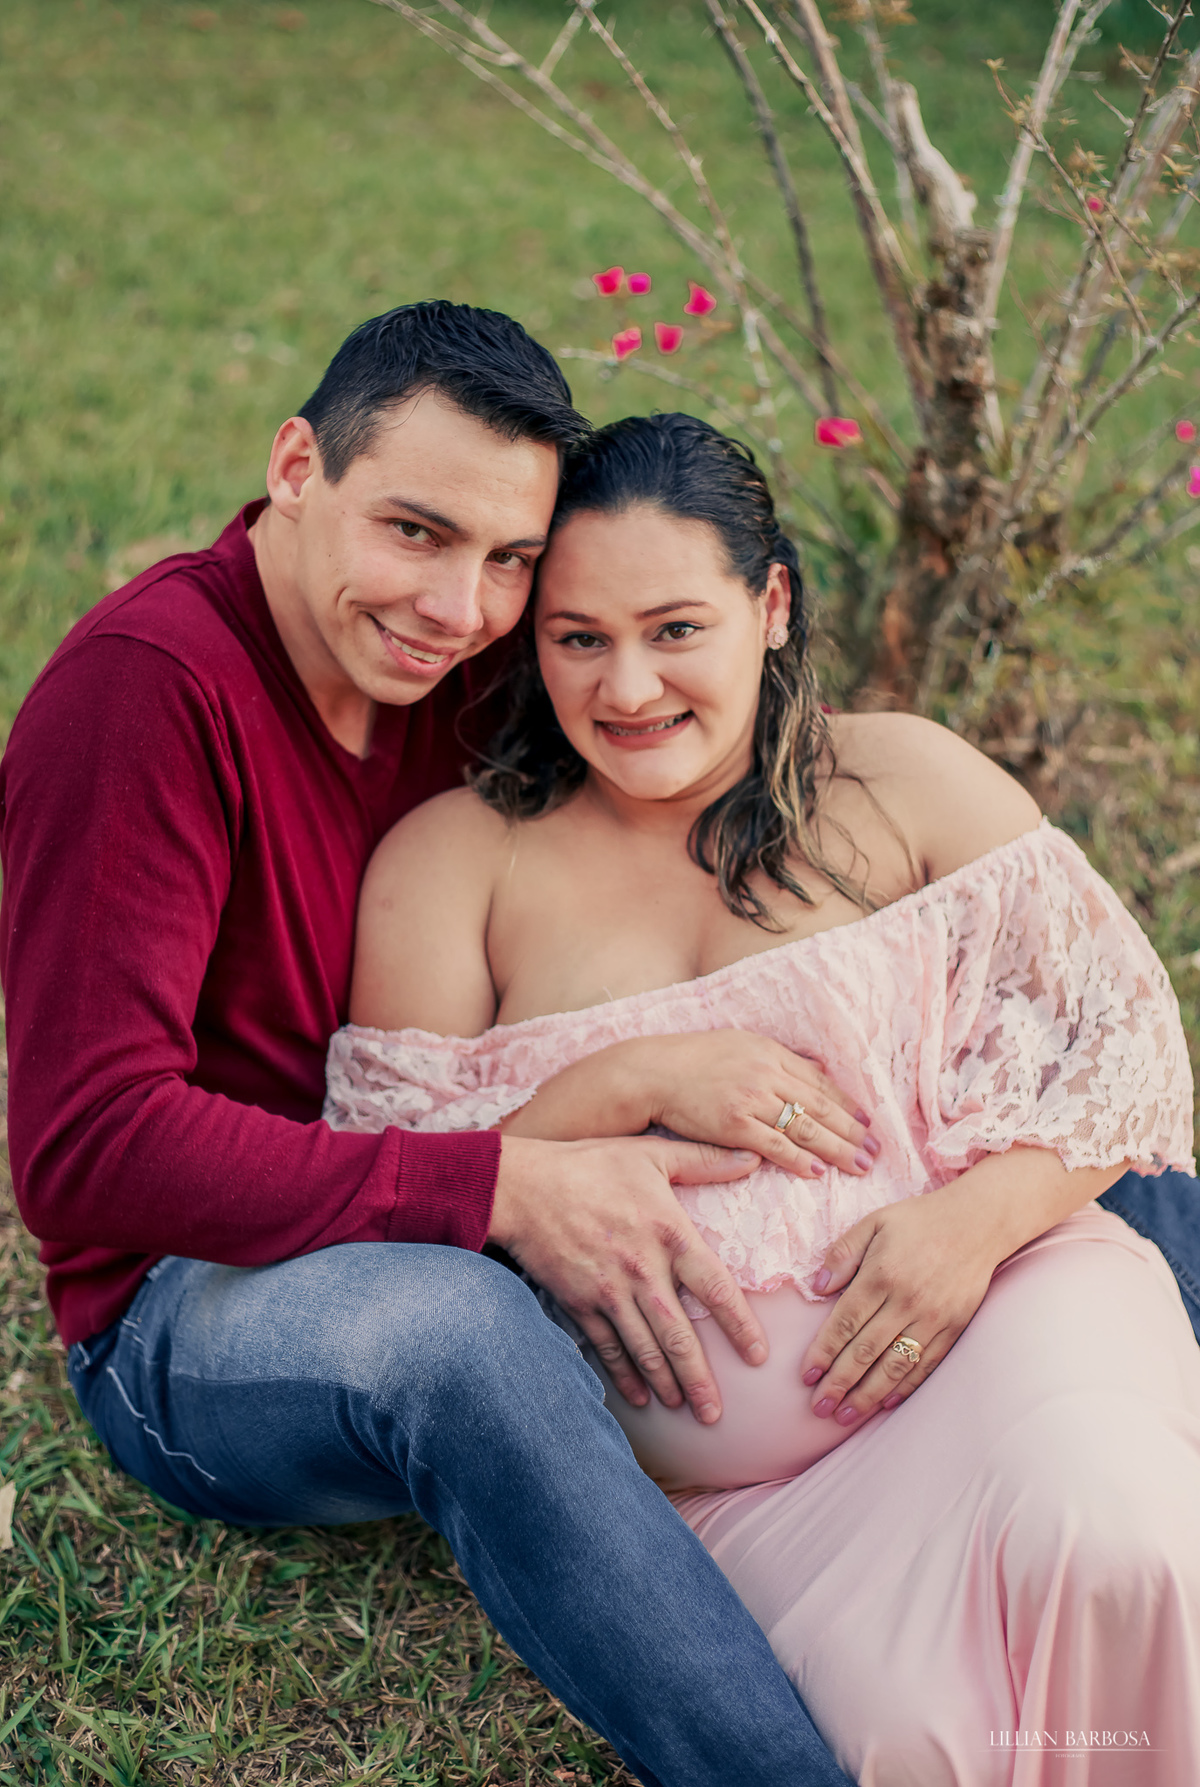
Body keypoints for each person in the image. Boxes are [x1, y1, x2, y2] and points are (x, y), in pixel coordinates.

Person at [0, 305, 865, 1787]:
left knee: (1097, 1170)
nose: (461, 607)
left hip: (456, 1167)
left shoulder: (464, 656)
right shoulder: (142, 698)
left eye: (510, 558)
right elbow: (90, 1155)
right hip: (194, 1303)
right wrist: (502, 1187)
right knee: (458, 1337)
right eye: (414, 531)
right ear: (295, 468)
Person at [325, 412, 1200, 1784]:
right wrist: (617, 1083)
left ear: (772, 605)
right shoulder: (456, 866)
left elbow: (1129, 1045)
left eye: (676, 628)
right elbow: (378, 1208)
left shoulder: (901, 778)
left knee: (1111, 1548)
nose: (628, 688)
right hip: (745, 1499)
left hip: (1005, 1324)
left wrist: (966, 1232)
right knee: (917, 1746)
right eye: (578, 638)